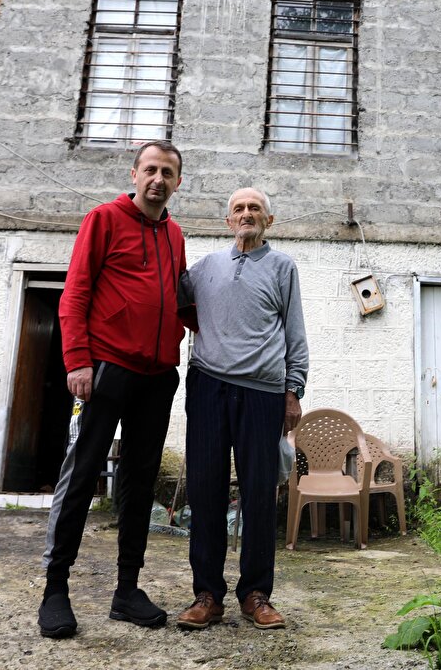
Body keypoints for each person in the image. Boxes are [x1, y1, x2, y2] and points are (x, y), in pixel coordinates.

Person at [37, 140, 187, 639]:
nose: (158, 179)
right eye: (150, 170)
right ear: (135, 173)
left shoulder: (176, 235)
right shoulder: (103, 219)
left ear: (178, 182)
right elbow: (75, 292)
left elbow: (178, 299)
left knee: (139, 483)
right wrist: (77, 360)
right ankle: (55, 590)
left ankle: (127, 590)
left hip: (157, 377)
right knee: (81, 475)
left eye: (167, 172)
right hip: (105, 370)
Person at [175, 187, 307, 631]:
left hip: (263, 393)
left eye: (254, 208)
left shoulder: (283, 267)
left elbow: (294, 333)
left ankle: (255, 594)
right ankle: (207, 595)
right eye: (238, 209)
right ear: (228, 221)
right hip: (208, 386)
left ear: (269, 220)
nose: (246, 214)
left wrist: (294, 390)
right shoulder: (206, 267)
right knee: (206, 491)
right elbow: (170, 298)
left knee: (258, 496)